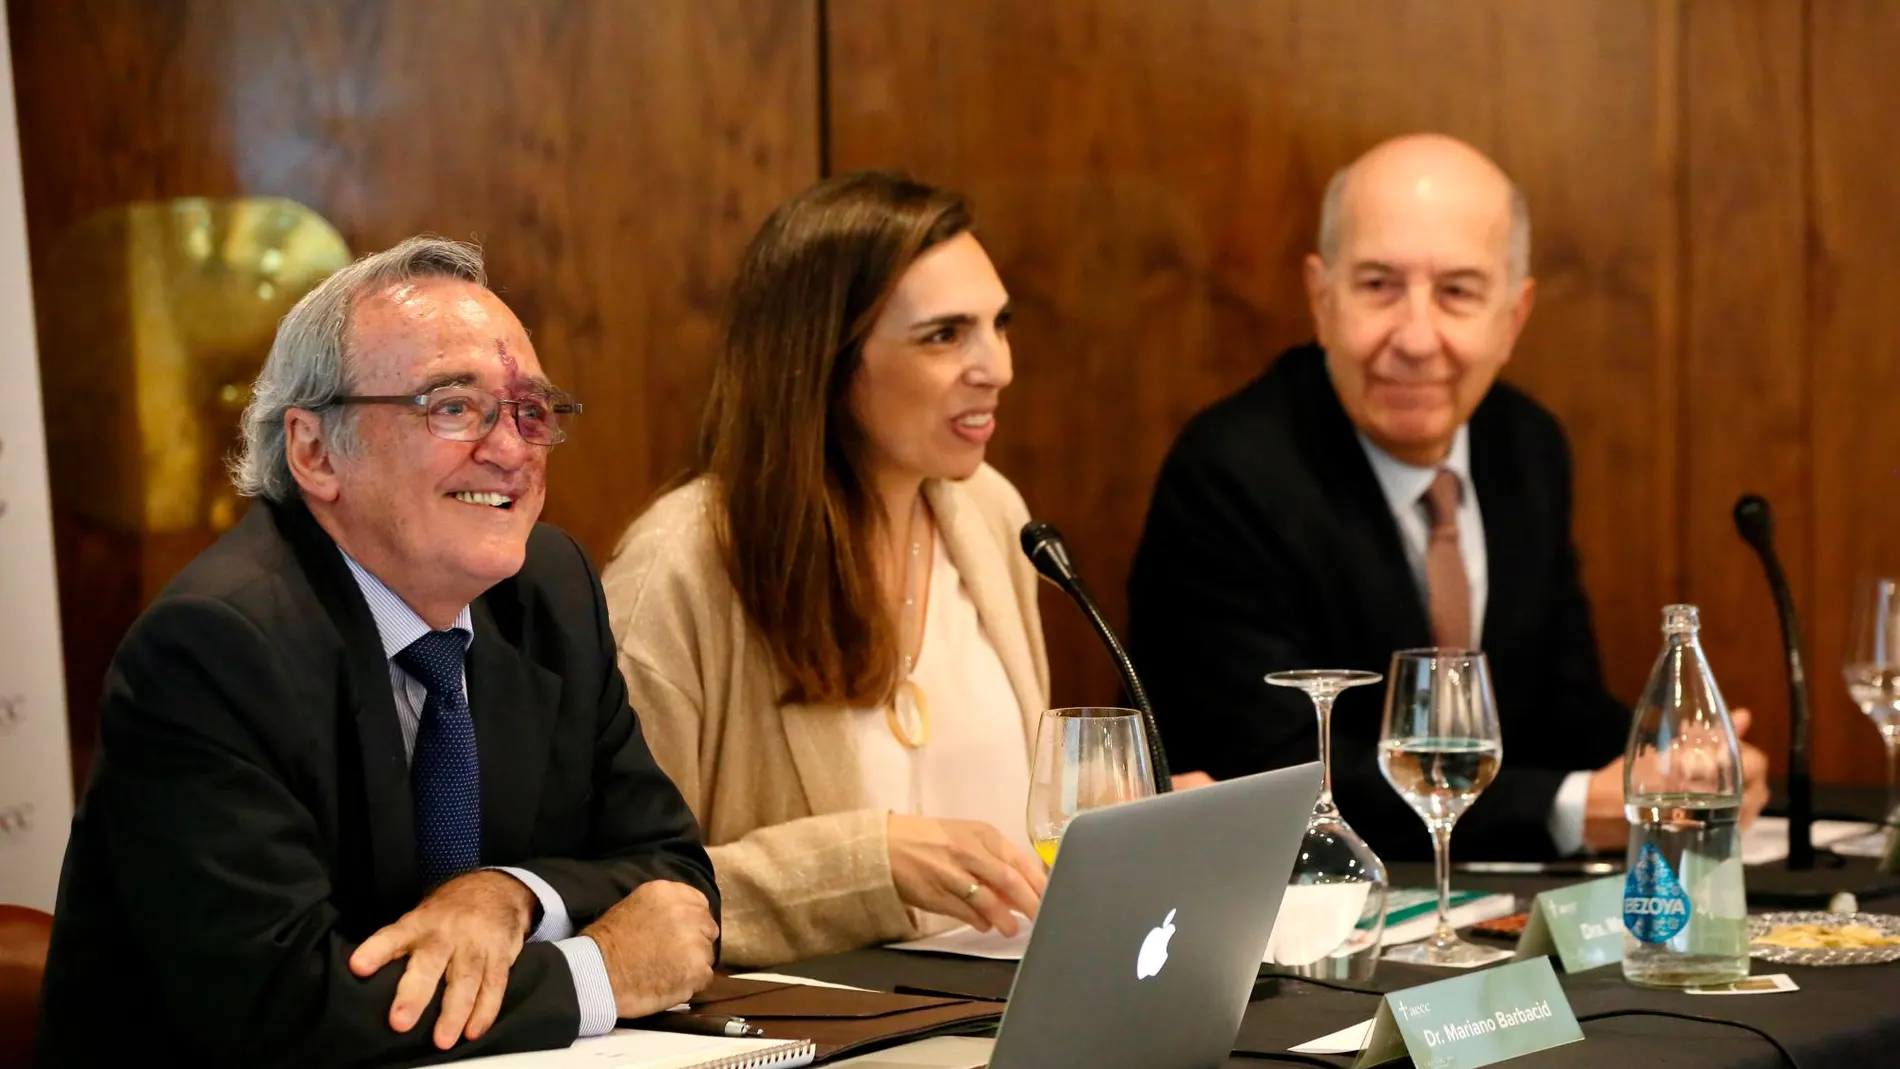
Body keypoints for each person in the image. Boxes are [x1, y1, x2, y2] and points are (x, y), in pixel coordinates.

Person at [38, 238, 720, 1066]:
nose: (510, 450)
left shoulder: (550, 589)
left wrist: (508, 895)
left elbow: (671, 872)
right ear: (316, 452)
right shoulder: (215, 648)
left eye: (531, 411)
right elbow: (286, 1009)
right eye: (453, 407)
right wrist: (597, 971)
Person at [1127, 134, 1768, 861]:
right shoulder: (1232, 472)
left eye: (1458, 292)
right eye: (1379, 285)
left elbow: (1559, 703)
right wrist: (1570, 810)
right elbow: (1269, 768)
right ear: (1321, 297)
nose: (1417, 336)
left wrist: (1676, 762)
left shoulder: (1526, 444)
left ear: (1514, 317)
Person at [601, 171, 1062, 968]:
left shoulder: (991, 513)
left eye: (999, 324)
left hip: (1012, 1019)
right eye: (944, 335)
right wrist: (864, 863)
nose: (998, 367)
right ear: (825, 358)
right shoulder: (681, 567)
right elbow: (618, 897)